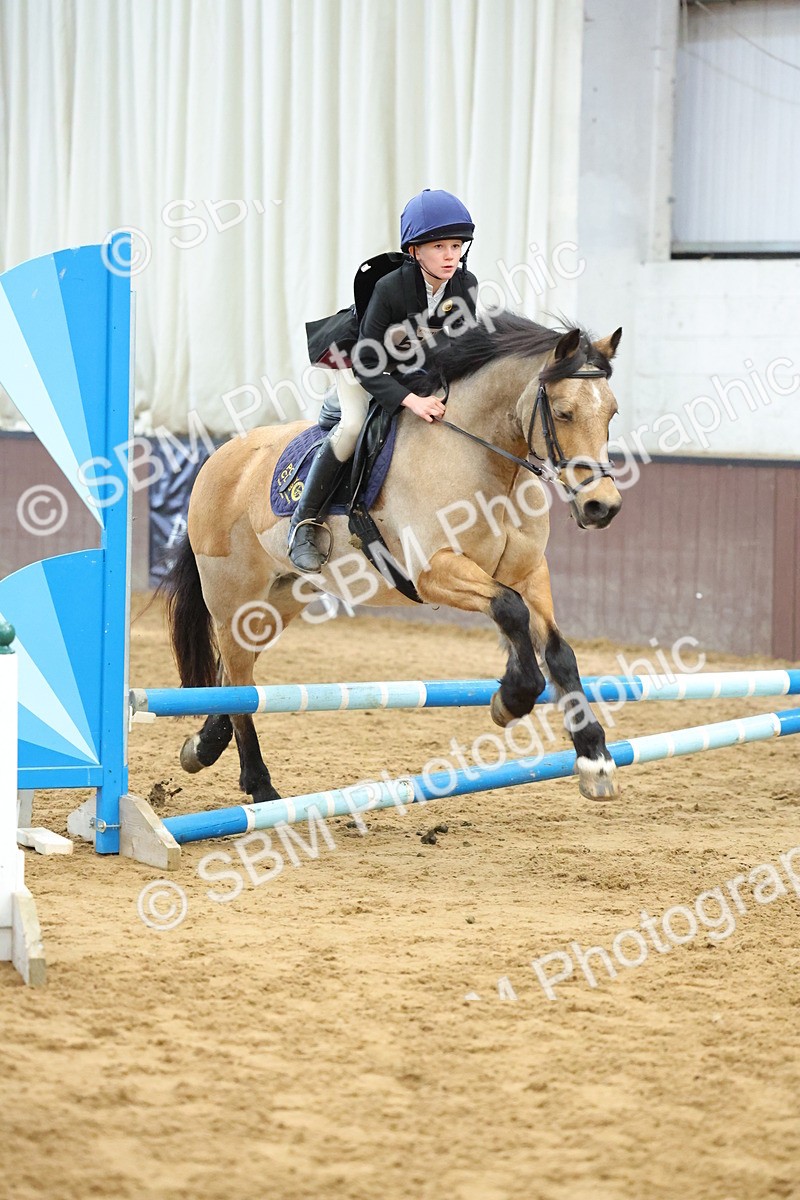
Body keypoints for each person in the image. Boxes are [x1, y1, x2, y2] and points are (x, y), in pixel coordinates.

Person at [288, 188, 479, 572]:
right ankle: (304, 523)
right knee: (353, 426)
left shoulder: (465, 284)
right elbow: (368, 364)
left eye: (456, 245)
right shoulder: (390, 288)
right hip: (365, 366)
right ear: (414, 251)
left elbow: (462, 350)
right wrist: (411, 400)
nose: (450, 256)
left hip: (419, 372)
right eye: (438, 246)